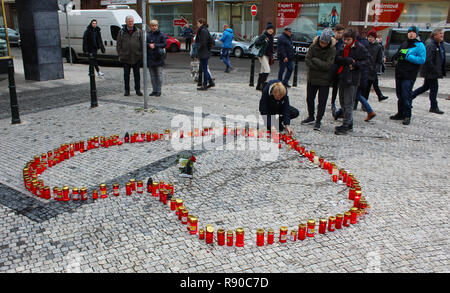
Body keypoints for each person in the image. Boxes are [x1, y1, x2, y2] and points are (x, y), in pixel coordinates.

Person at [334, 28, 369, 135]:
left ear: (353, 39)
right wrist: (345, 60)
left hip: (352, 78)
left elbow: (367, 61)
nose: (346, 42)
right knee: (342, 101)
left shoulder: (360, 48)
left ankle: (346, 125)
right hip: (342, 76)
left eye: (348, 40)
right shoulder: (342, 47)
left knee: (349, 103)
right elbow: (337, 58)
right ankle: (349, 123)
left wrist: (355, 65)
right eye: (345, 39)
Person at [390, 26, 426, 125]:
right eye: (409, 32)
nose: (411, 34)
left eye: (413, 32)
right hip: (399, 72)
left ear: (416, 34)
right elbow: (399, 54)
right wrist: (395, 59)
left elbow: (422, 59)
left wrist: (408, 56)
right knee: (399, 94)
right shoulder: (404, 43)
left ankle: (407, 115)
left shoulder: (420, 45)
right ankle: (400, 113)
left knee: (406, 94)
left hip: (409, 74)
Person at [302, 28, 336, 131]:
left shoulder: (332, 49)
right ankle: (311, 116)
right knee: (309, 98)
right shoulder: (313, 46)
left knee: (322, 101)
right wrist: (319, 65)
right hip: (312, 77)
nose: (323, 44)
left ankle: (318, 120)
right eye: (321, 42)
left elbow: (328, 65)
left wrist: (316, 60)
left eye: (325, 43)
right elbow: (307, 59)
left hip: (325, 80)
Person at [411, 28, 446, 114]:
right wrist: (435, 70)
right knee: (434, 88)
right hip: (430, 71)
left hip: (434, 71)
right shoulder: (430, 44)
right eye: (440, 33)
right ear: (435, 35)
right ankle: (434, 107)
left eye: (442, 33)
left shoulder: (439, 43)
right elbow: (428, 59)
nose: (442, 35)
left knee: (426, 87)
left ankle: (409, 97)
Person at [116, 15, 143, 96]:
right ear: (126, 22)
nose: (131, 22)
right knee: (126, 75)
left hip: (136, 57)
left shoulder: (138, 31)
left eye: (132, 21)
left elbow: (142, 44)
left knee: (137, 75)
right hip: (126, 57)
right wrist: (120, 54)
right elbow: (118, 45)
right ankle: (127, 90)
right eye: (129, 21)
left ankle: (137, 90)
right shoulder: (121, 32)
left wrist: (141, 54)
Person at [364, 30, 388, 103]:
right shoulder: (365, 45)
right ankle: (355, 103)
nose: (370, 38)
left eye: (371, 37)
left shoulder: (378, 47)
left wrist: (375, 69)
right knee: (361, 87)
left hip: (372, 70)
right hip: (364, 68)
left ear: (375, 38)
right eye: (369, 37)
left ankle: (365, 103)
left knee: (368, 88)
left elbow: (379, 60)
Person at [146, 20, 167, 97]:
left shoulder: (161, 34)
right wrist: (149, 45)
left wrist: (155, 45)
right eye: (152, 26)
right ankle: (154, 90)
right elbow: (144, 43)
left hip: (158, 57)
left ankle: (159, 90)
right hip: (150, 57)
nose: (154, 27)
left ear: (157, 26)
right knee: (152, 76)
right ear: (150, 26)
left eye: (155, 26)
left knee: (159, 75)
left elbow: (164, 44)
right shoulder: (148, 35)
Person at [254, 23, 275, 91]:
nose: (271, 30)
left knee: (262, 70)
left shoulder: (271, 36)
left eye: (272, 29)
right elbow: (256, 42)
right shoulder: (264, 35)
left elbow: (271, 47)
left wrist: (272, 55)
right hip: (262, 55)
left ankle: (258, 86)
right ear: (267, 29)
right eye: (269, 29)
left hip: (268, 55)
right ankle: (263, 86)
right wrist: (264, 41)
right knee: (267, 69)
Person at [196, 18, 215, 91]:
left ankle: (205, 84)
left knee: (204, 69)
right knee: (204, 68)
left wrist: (198, 50)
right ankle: (210, 82)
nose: (197, 25)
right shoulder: (205, 30)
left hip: (204, 52)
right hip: (205, 52)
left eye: (198, 23)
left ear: (201, 23)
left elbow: (203, 43)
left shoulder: (203, 31)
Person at [330, 24, 345, 117]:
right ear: (335, 31)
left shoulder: (342, 42)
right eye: (339, 33)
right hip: (330, 67)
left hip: (338, 68)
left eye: (341, 33)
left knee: (336, 87)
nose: (340, 35)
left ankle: (333, 102)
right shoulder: (331, 41)